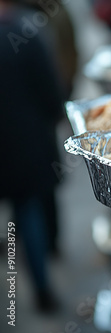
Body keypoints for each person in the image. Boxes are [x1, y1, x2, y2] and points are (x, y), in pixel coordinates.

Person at [0, 0, 65, 312]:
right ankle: (41, 290)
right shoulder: (24, 30)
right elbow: (51, 93)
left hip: (18, 148)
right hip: (23, 147)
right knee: (26, 216)